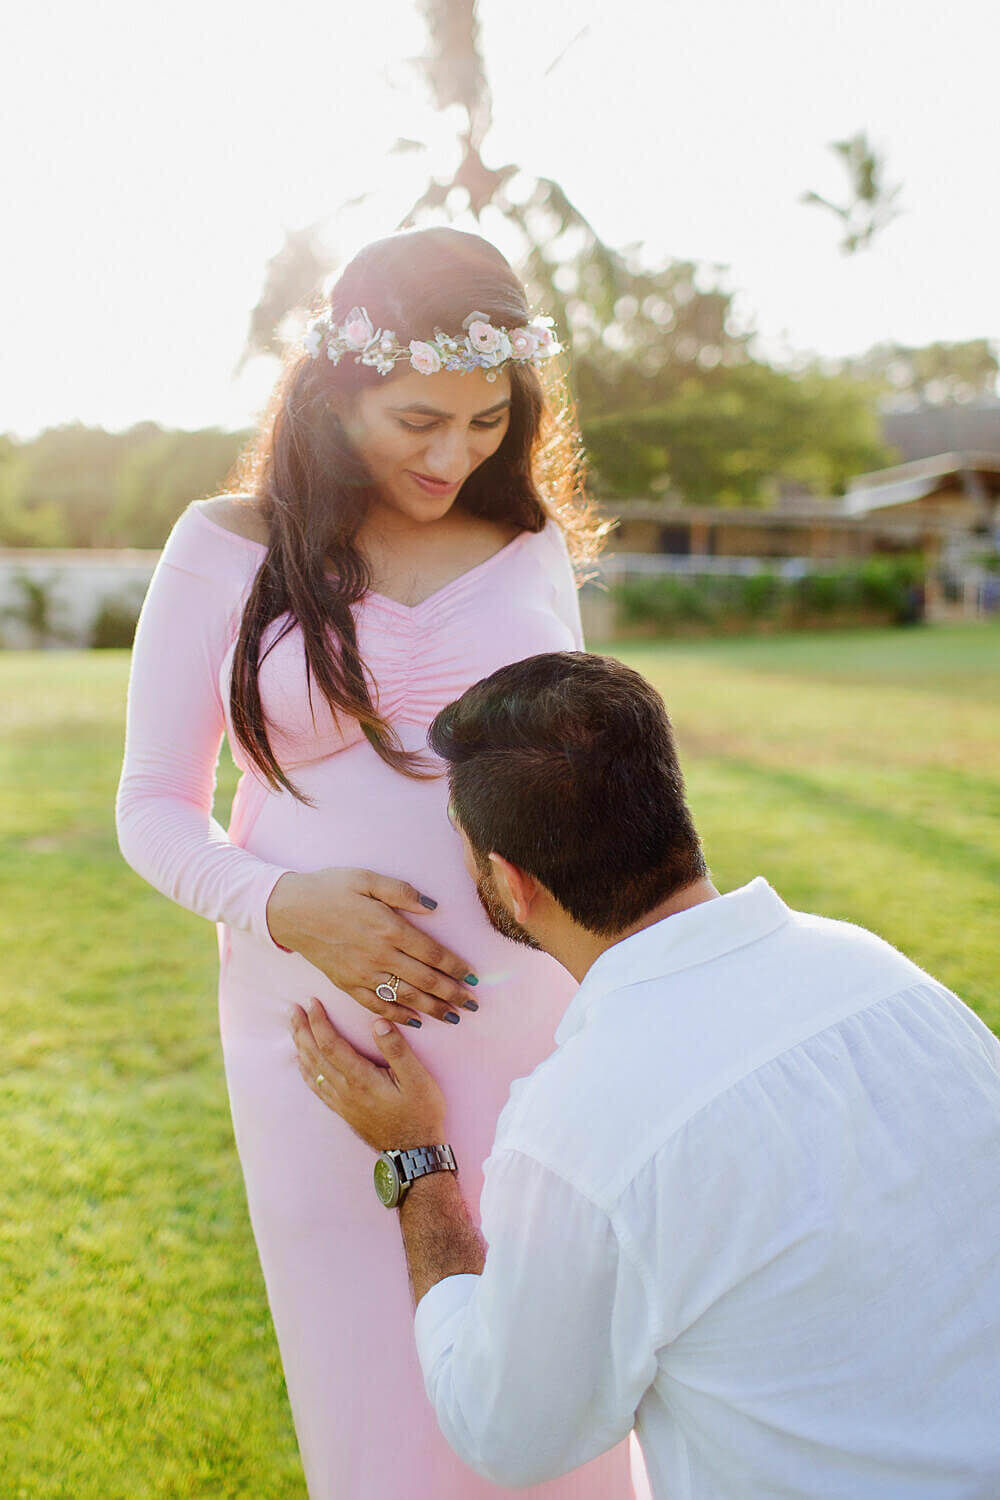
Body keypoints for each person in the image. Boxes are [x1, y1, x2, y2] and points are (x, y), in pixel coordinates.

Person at [114, 229, 639, 1498]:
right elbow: (151, 806)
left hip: (524, 1023)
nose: (451, 455)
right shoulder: (224, 545)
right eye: (417, 419)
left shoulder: (525, 550)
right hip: (312, 1031)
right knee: (364, 1359)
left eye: (484, 420)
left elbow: (578, 785)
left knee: (546, 1337)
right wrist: (282, 904)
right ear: (332, 390)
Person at [292, 650, 1000, 1499]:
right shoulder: (892, 980)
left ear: (513, 885)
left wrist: (418, 1164)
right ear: (669, 808)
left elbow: (506, 1432)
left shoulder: (582, 1130)